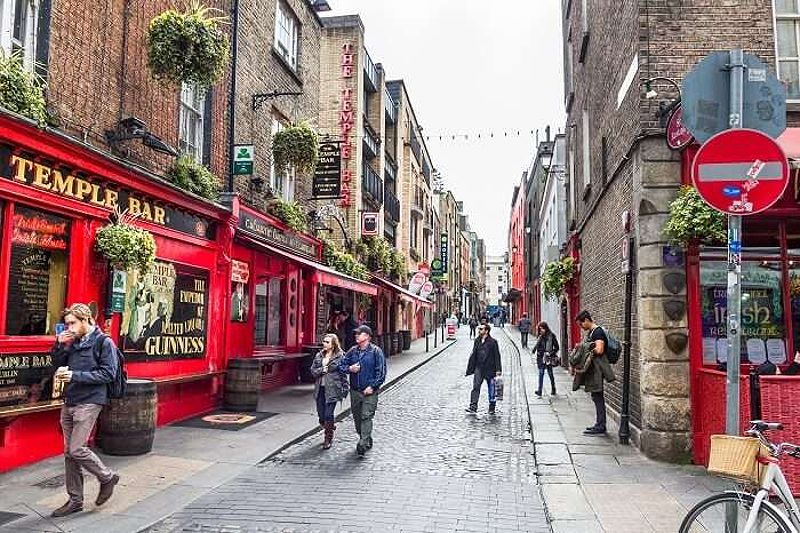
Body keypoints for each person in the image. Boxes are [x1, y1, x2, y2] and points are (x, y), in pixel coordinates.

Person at [49, 303, 120, 517]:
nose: (68, 327)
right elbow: (57, 365)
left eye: (72, 323)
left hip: (90, 401)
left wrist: (75, 376)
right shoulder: (73, 341)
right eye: (67, 323)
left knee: (77, 449)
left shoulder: (104, 342)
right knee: (69, 454)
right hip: (70, 400)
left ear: (86, 320)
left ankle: (107, 476)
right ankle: (75, 500)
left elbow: (108, 374)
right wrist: (59, 345)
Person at [339, 325, 386, 457]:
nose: (356, 336)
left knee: (366, 416)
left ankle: (362, 444)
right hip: (355, 391)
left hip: (370, 391)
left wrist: (372, 386)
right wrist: (350, 369)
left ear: (366, 336)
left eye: (358, 334)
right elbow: (341, 365)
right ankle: (366, 437)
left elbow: (381, 372)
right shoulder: (353, 351)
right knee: (357, 418)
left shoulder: (376, 352)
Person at [572, 310, 616, 435]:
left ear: (586, 320)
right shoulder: (592, 332)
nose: (581, 327)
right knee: (596, 396)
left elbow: (600, 349)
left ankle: (601, 426)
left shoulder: (598, 332)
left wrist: (584, 347)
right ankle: (599, 424)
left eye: (581, 324)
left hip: (597, 368)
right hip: (594, 368)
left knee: (598, 395)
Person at [309, 334, 349, 449]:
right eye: (324, 341)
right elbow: (312, 371)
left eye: (327, 342)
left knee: (328, 414)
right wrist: (322, 370)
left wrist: (345, 388)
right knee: (321, 415)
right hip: (320, 389)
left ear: (333, 344)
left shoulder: (340, 356)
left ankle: (328, 438)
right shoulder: (319, 355)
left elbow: (343, 373)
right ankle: (329, 425)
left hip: (333, 389)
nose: (324, 343)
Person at [465, 323, 502, 414]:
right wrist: (471, 367)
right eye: (479, 329)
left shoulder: (493, 342)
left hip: (490, 368)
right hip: (479, 368)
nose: (479, 330)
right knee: (476, 387)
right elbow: (474, 353)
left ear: (486, 331)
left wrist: (498, 370)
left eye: (481, 329)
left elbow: (497, 356)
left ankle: (492, 407)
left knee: (492, 389)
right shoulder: (477, 340)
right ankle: (473, 406)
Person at [533, 321, 559, 397]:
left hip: (549, 358)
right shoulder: (540, 337)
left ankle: (553, 388)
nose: (541, 331)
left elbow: (557, 347)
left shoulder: (552, 336)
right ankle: (539, 390)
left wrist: (550, 353)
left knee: (550, 374)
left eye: (542, 329)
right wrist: (538, 352)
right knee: (541, 373)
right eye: (540, 329)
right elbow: (538, 347)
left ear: (546, 328)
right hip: (541, 358)